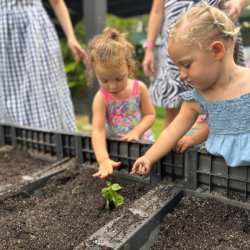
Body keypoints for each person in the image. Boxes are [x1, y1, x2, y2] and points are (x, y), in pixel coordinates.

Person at [130, 2, 250, 176]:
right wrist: (148, 157)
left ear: (216, 51)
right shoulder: (197, 99)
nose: (181, 75)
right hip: (219, 176)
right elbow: (171, 132)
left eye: (186, 65)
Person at [143, 0, 247, 130]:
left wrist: (239, 3)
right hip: (176, 42)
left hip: (213, 36)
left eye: (186, 66)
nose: (182, 75)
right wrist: (149, 48)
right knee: (173, 114)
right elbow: (157, 12)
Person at [0, 0, 87, 131]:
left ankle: (49, 143)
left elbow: (57, 2)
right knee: (6, 91)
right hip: (4, 36)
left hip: (35, 32)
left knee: (44, 88)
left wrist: (71, 37)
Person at [87, 27, 156, 179]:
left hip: (144, 144)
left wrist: (136, 132)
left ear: (129, 68)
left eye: (119, 79)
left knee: (149, 176)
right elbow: (98, 131)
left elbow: (150, 115)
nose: (112, 86)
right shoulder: (101, 98)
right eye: (104, 80)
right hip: (118, 149)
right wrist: (103, 159)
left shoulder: (139, 88)